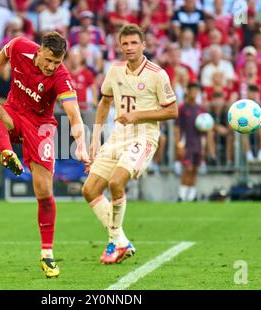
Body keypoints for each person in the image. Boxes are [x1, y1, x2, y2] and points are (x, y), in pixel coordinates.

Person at [0, 32, 90, 278]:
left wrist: (81, 145)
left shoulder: (61, 76)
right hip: (13, 114)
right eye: (49, 60)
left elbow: (73, 113)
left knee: (44, 191)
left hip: (41, 127)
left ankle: (47, 255)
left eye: (57, 62)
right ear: (40, 50)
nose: (52, 66)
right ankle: (7, 152)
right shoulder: (20, 46)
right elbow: (2, 56)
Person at [81, 24, 178, 264]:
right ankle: (121, 240)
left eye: (134, 43)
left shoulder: (157, 73)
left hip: (143, 135)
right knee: (89, 190)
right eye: (125, 43)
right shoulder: (114, 71)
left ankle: (115, 243)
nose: (129, 47)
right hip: (118, 135)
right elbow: (104, 103)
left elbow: (172, 111)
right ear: (119, 46)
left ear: (143, 45)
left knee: (116, 182)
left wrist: (138, 115)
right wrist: (95, 139)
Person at [175, 82, 204, 202]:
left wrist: (204, 146)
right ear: (188, 91)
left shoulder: (200, 109)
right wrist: (178, 144)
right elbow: (177, 128)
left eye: (196, 90)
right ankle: (182, 195)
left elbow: (205, 129)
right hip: (186, 143)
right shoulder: (182, 108)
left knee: (195, 169)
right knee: (188, 169)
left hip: (198, 143)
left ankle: (192, 195)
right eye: (192, 90)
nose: (194, 93)